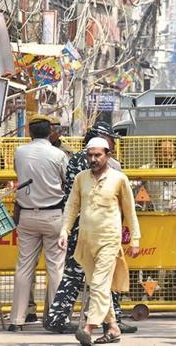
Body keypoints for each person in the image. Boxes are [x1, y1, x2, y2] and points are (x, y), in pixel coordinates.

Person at [45, 122, 136, 334]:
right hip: (94, 228)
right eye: (110, 138)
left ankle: (61, 316)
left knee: (77, 275)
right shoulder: (108, 165)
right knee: (100, 278)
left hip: (80, 226)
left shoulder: (74, 160)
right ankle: (100, 323)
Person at [8, 114, 68, 331]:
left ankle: (16, 320)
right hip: (53, 215)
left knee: (24, 268)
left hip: (27, 215)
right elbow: (66, 180)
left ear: (29, 132)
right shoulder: (58, 154)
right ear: (50, 131)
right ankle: (56, 318)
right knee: (56, 268)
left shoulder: (19, 152)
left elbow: (19, 173)